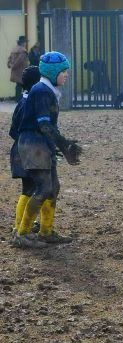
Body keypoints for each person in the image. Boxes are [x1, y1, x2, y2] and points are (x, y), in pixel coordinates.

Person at [14, 51, 82, 248]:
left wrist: (59, 144)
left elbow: (48, 126)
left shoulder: (47, 89)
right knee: (43, 188)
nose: (66, 75)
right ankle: (23, 233)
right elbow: (44, 125)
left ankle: (46, 231)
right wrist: (64, 144)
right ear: (53, 73)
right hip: (34, 143)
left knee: (54, 187)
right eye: (63, 71)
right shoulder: (43, 91)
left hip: (40, 143)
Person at [9, 66, 40, 235]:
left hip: (19, 149)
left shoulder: (22, 101)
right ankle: (20, 227)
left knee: (29, 188)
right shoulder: (31, 104)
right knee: (31, 189)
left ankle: (21, 224)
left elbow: (12, 131)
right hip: (28, 151)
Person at [7, 36, 29, 101]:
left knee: (18, 85)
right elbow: (20, 60)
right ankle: (20, 99)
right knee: (23, 85)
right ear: (22, 43)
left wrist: (10, 65)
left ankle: (18, 98)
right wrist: (13, 66)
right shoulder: (23, 50)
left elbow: (9, 59)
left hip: (15, 71)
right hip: (21, 70)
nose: (26, 43)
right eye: (25, 42)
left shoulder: (14, 49)